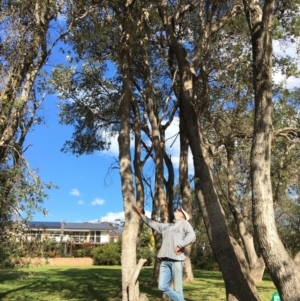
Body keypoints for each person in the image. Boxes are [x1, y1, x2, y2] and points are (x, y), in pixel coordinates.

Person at [134, 205, 196, 301]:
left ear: (183, 216)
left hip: (177, 260)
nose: (177, 210)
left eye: (179, 210)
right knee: (162, 286)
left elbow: (192, 236)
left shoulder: (185, 224)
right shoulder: (168, 226)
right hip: (164, 261)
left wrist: (180, 245)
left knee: (178, 289)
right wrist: (142, 215)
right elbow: (153, 224)